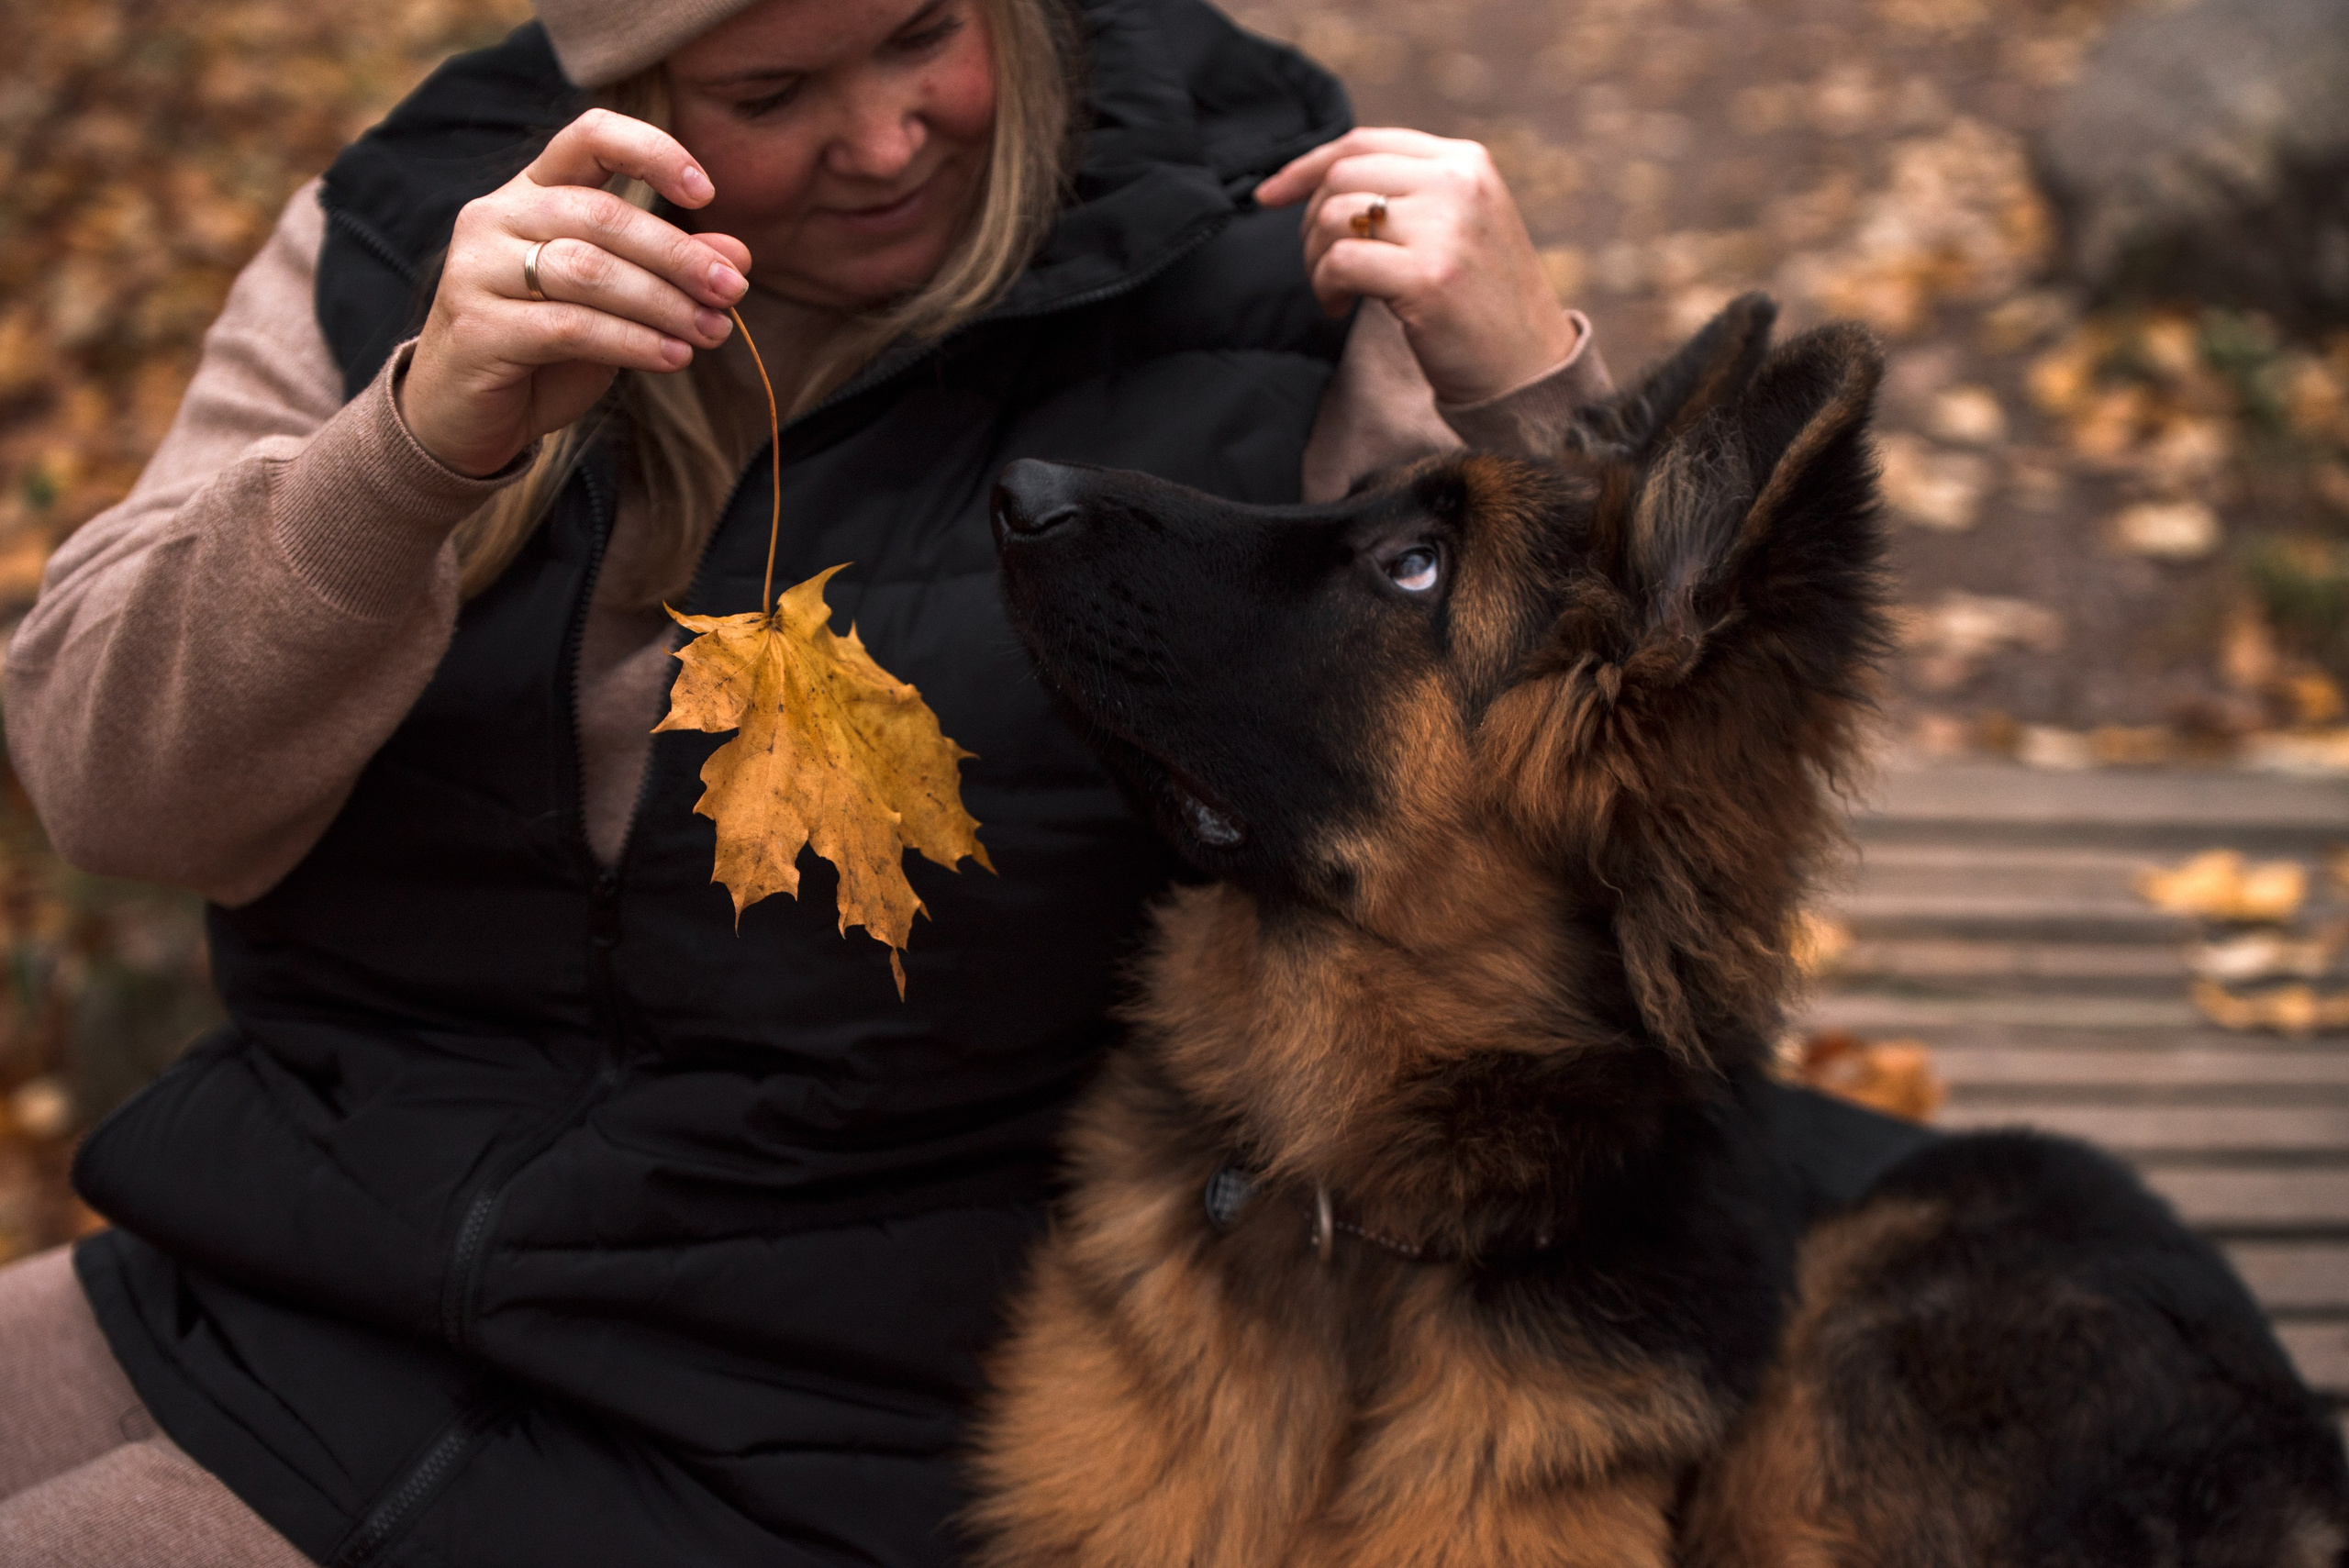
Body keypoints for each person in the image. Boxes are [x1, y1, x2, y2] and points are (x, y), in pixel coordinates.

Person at [0, 0, 1611, 1561]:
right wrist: (416, 450)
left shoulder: (1267, 256)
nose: (887, 137)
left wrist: (1527, 392)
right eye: (771, 96)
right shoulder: (412, 223)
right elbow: (110, 789)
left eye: (925, 30)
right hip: (307, 1256)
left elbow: (1610, 832)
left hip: (848, 1392)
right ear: (635, 118)